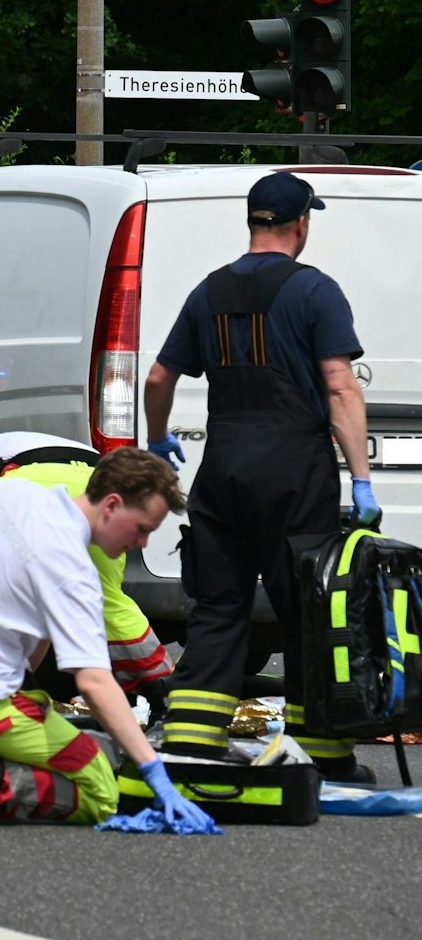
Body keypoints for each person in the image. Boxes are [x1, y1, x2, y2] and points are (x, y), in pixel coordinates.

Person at [142, 170, 374, 781]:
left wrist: (157, 439)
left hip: (223, 469)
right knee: (308, 608)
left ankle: (191, 740)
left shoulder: (208, 292)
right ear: (302, 223)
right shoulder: (316, 291)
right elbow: (339, 386)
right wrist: (362, 478)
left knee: (218, 605)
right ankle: (324, 754)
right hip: (294, 472)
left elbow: (159, 379)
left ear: (253, 222)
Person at [0, 448, 211, 829]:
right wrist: (154, 772)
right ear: (112, 505)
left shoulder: (8, 493)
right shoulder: (73, 569)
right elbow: (94, 682)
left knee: (44, 721)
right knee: (100, 786)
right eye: (142, 528)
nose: (143, 543)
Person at [0, 431, 174, 711]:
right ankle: (161, 687)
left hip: (30, 480)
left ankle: (6, 687)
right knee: (108, 599)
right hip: (95, 480)